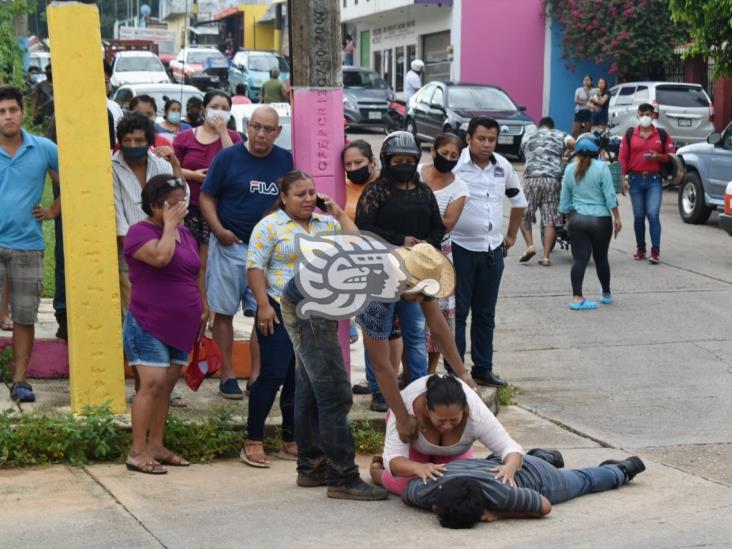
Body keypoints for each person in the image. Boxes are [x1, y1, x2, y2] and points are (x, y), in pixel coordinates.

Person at [243, 171, 352, 469]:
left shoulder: (327, 224)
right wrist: (263, 306)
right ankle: (253, 439)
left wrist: (338, 212)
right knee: (273, 374)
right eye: (300, 194)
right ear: (284, 197)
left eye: (311, 193)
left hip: (316, 313)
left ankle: (291, 437)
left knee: (301, 379)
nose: (307, 199)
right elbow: (254, 266)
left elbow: (356, 244)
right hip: (278, 308)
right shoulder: (270, 225)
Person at [200, 105, 293, 400]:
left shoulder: (284, 160)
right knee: (224, 312)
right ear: (247, 126)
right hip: (230, 246)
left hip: (267, 254)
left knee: (264, 314)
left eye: (268, 129)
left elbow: (288, 198)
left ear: (277, 132)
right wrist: (218, 230)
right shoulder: (227, 158)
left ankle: (257, 376)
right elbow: (206, 196)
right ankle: (227, 374)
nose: (260, 134)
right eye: (255, 126)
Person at [355, 131, 445, 411]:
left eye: (409, 160)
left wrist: (423, 246)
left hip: (415, 276)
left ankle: (419, 389)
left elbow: (438, 228)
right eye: (398, 160)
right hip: (381, 272)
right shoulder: (376, 191)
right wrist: (398, 240)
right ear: (386, 161)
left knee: (415, 333)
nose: (403, 164)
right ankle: (380, 390)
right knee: (377, 332)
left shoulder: (423, 192)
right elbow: (364, 225)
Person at [356, 242, 479, 444]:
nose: (423, 299)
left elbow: (438, 327)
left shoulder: (416, 272)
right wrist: (402, 418)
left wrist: (462, 373)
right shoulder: (376, 298)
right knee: (330, 389)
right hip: (312, 305)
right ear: (406, 282)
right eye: (420, 294)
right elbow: (380, 364)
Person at [123, 175, 206, 474]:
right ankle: (137, 451)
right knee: (152, 384)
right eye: (171, 204)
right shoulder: (138, 233)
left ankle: (156, 445)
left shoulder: (186, 233)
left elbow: (196, 271)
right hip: (148, 321)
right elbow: (161, 257)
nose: (179, 208)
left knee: (166, 387)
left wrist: (203, 306)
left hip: (181, 323)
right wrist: (170, 226)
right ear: (153, 205)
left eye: (181, 201)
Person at [451, 117, 527, 388]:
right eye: (481, 138)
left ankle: (483, 368)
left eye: (491, 139)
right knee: (457, 312)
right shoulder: (455, 164)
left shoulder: (502, 166)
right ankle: (456, 371)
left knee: (485, 314)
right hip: (459, 248)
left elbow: (518, 201)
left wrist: (511, 235)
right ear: (469, 138)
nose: (486, 144)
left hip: (492, 251)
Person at [398, 451, 646, 529]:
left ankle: (622, 470)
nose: (433, 509)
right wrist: (377, 468)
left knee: (582, 480)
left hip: (538, 476)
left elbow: (544, 506)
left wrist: (500, 515)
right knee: (499, 456)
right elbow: (388, 476)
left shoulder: (502, 495)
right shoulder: (426, 487)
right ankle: (544, 455)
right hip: (501, 459)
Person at [372, 374, 523, 497]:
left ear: (464, 409)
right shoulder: (406, 406)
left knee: (457, 486)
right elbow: (393, 460)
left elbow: (510, 447)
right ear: (426, 409)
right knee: (410, 487)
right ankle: (377, 473)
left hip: (453, 454)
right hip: (416, 449)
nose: (447, 426)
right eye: (441, 420)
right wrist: (418, 468)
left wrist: (509, 467)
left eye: (454, 420)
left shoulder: (476, 412)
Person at [0, 86, 59, 403]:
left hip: (28, 246)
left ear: (22, 113)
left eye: (12, 109)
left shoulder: (43, 148)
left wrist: (53, 210)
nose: (7, 116)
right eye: (1, 111)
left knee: (24, 316)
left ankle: (20, 380)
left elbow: (74, 180)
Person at [342, 140, 403, 392]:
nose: (354, 168)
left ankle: (386, 382)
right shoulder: (342, 186)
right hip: (355, 263)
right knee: (371, 326)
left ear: (372, 162)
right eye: (348, 164)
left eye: (359, 162)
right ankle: (375, 380)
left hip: (388, 263)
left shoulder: (386, 187)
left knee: (391, 328)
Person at [113, 112, 186, 317]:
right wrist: (137, 253)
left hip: (166, 246)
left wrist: (176, 166)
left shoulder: (162, 164)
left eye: (138, 140)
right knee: (135, 314)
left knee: (163, 312)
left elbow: (181, 203)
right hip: (131, 252)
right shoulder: (111, 168)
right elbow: (119, 218)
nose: (133, 145)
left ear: (149, 141)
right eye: (127, 140)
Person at [173, 91, 242, 284]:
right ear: (204, 109)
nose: (219, 112)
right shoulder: (184, 137)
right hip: (188, 208)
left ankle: (208, 308)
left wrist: (222, 133)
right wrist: (194, 175)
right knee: (189, 260)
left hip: (219, 210)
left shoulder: (234, 138)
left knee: (210, 264)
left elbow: (235, 164)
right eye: (214, 107)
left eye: (225, 109)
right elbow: (171, 167)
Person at [419, 133, 469, 374]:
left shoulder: (459, 188)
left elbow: (447, 224)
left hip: (438, 252)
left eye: (454, 156)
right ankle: (408, 366)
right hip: (404, 248)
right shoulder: (416, 172)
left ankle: (429, 370)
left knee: (439, 312)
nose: (448, 158)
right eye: (444, 153)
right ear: (433, 150)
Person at [558, 133, 622, 310]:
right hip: (601, 220)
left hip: (577, 219)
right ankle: (607, 294)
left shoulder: (570, 168)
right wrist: (617, 217)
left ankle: (577, 298)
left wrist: (565, 217)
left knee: (580, 259)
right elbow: (610, 196)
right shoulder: (602, 168)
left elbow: (564, 198)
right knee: (601, 259)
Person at [619, 103, 675, 264]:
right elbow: (622, 158)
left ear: (653, 116)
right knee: (638, 216)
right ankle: (640, 248)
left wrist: (660, 157)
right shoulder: (630, 134)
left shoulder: (661, 134)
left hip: (654, 181)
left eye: (648, 114)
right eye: (642, 114)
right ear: (638, 116)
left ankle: (655, 251)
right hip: (635, 180)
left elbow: (672, 156)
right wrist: (622, 178)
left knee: (652, 214)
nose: (645, 116)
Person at [518, 117, 576, 267]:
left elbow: (524, 150)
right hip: (552, 180)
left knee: (524, 215)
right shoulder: (560, 134)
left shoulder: (528, 134)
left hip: (532, 178)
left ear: (540, 125)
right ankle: (545, 257)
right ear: (552, 126)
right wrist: (567, 153)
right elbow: (573, 144)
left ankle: (530, 246)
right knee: (550, 218)